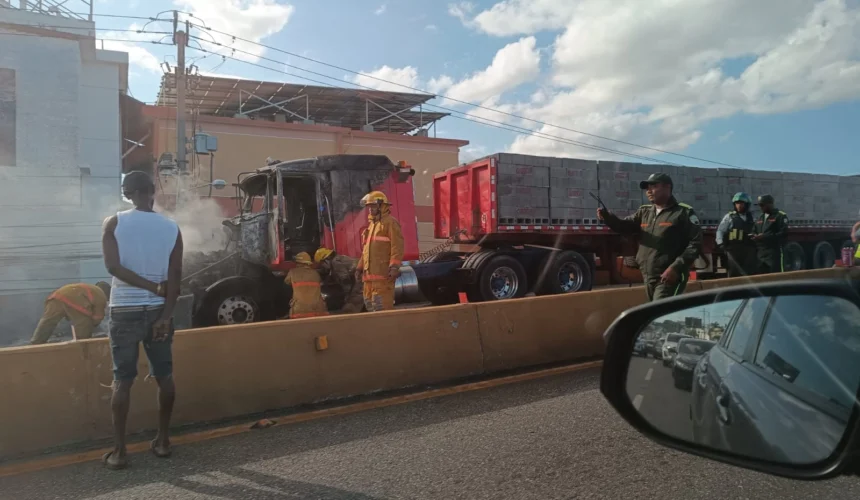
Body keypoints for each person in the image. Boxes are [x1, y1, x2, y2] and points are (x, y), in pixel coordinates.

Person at [101, 170, 183, 470]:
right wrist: (166, 314)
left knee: (122, 381)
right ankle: (162, 442)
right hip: (159, 312)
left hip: (123, 310)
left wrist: (149, 287)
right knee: (165, 377)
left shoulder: (115, 223)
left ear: (127, 193)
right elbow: (175, 277)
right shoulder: (172, 228)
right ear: (152, 192)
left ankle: (120, 452)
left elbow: (113, 267)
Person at [597, 173, 703, 301]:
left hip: (669, 276)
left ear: (667, 187)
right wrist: (608, 218)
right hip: (648, 275)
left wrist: (675, 268)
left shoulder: (683, 212)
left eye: (653, 186)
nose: (648, 191)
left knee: (662, 314)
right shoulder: (644, 212)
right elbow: (624, 227)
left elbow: (695, 243)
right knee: (656, 314)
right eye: (647, 188)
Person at [356, 191, 404, 311]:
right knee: (371, 309)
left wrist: (394, 267)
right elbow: (366, 251)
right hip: (369, 280)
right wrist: (359, 268)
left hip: (383, 277)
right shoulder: (371, 226)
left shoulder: (390, 223)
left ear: (381, 206)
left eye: (373, 206)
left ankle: (388, 330)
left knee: (382, 310)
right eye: (369, 207)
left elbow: (397, 247)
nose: (370, 210)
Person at [30, 281, 111, 345]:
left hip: (56, 297)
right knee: (84, 323)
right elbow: (98, 317)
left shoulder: (90, 288)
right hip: (74, 300)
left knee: (48, 321)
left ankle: (36, 343)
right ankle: (84, 346)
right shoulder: (101, 296)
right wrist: (93, 325)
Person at [715, 192, 756, 278]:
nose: (739, 206)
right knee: (734, 273)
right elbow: (720, 231)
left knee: (750, 273)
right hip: (734, 250)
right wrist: (720, 243)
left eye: (741, 203)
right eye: (737, 203)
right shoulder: (729, 217)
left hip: (749, 250)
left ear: (747, 204)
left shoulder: (752, 217)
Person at [314, 247, 364, 313]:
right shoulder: (338, 259)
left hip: (361, 275)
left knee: (354, 300)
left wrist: (346, 296)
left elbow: (345, 281)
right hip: (360, 274)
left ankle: (350, 318)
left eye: (322, 264)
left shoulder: (336, 263)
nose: (323, 266)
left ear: (325, 260)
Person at [751, 194, 789, 274]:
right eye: (759, 205)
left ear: (770, 204)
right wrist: (754, 236)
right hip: (761, 254)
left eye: (762, 205)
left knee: (776, 277)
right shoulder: (760, 217)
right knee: (762, 278)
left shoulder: (780, 216)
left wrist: (765, 237)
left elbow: (783, 234)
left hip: (774, 253)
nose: (760, 207)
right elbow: (754, 230)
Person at [284, 251, 329, 319]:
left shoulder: (292, 272)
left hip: (300, 310)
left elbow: (286, 283)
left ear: (298, 262)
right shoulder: (315, 273)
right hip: (318, 309)